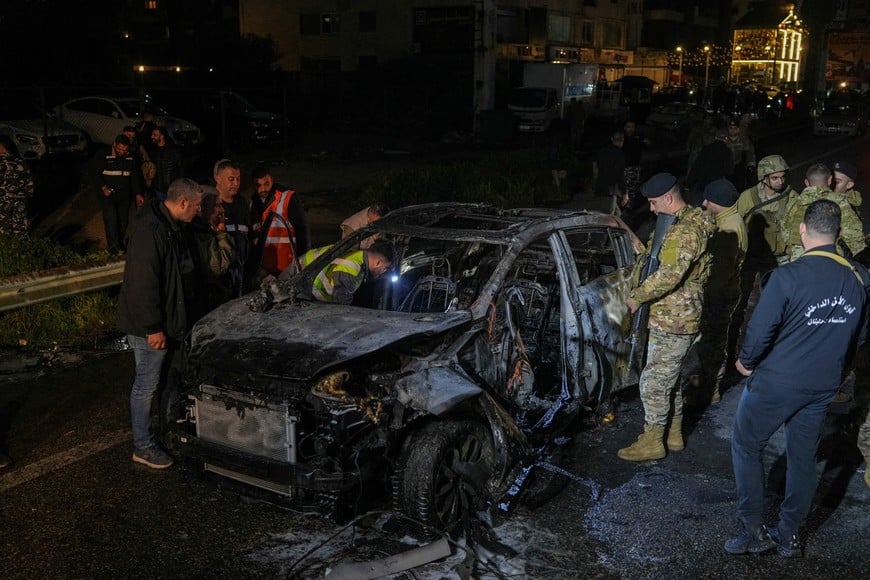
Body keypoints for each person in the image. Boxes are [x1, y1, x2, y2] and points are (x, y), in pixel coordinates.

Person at [726, 199, 869, 557]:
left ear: (802, 231)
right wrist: (838, 367)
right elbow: (862, 335)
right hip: (823, 384)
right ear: (837, 234)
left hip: (776, 382)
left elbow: (760, 330)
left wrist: (746, 362)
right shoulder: (860, 277)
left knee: (747, 445)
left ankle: (753, 531)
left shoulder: (786, 276)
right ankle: (789, 535)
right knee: (802, 458)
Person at [619, 173, 716, 461]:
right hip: (678, 315)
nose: (651, 209)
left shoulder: (684, 231)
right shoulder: (686, 223)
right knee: (669, 378)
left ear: (668, 198)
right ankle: (673, 434)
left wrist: (637, 296)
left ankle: (652, 441)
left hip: (674, 318)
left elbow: (669, 274)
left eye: (653, 203)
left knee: (654, 382)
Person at [117, 178, 203, 469]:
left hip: (165, 322)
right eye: (197, 206)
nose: (198, 211)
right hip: (149, 326)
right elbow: (143, 284)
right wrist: (153, 328)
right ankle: (143, 446)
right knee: (146, 385)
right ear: (182, 203)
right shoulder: (151, 230)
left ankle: (162, 434)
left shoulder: (169, 226)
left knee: (164, 381)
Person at [692, 178, 748, 404]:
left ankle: (709, 390)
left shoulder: (728, 229)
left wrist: (704, 298)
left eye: (709, 200)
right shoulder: (731, 218)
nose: (704, 203)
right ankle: (710, 388)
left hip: (719, 295)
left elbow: (719, 273)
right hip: (727, 290)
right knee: (715, 342)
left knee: (712, 343)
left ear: (719, 202)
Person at [780, 163, 865, 262]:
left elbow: (785, 232)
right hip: (830, 258)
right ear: (829, 180)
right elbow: (854, 235)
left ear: (807, 182)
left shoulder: (795, 202)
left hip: (799, 260)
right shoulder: (838, 201)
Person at [298, 239, 396, 305]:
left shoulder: (357, 253)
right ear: (378, 263)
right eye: (386, 268)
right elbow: (341, 308)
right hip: (298, 284)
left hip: (301, 265)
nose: (384, 273)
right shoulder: (353, 272)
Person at [252, 166, 310, 278]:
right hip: (266, 271)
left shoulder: (287, 197)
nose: (263, 189)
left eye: (266, 184)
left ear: (272, 180)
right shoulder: (253, 204)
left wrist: (303, 262)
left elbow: (302, 231)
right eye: (258, 185)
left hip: (288, 268)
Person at [188, 191, 236, 315]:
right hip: (210, 304)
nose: (222, 210)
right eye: (217, 205)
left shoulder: (209, 230)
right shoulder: (202, 235)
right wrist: (221, 234)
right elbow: (218, 267)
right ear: (206, 208)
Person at [93, 134, 143, 253]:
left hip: (124, 195)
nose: (122, 152)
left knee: (123, 221)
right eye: (120, 149)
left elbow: (134, 177)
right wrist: (103, 187)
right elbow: (94, 173)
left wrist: (138, 194)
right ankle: (112, 247)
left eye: (125, 150)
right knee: (111, 220)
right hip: (109, 194)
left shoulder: (130, 157)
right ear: (115, 144)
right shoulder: (103, 154)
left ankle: (119, 243)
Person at [213, 159, 250, 296]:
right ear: (218, 178)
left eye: (238, 179)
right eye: (231, 179)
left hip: (241, 269)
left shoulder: (242, 204)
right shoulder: (209, 206)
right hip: (220, 276)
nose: (236, 183)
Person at [686, 124, 732, 204]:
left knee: (700, 208)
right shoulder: (727, 151)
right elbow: (729, 170)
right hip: (717, 186)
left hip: (703, 185)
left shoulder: (706, 149)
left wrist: (688, 183)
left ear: (715, 137)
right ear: (726, 138)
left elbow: (696, 166)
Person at [0, 135, 34, 237]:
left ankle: (7, 250)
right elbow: (29, 185)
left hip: (2, 201)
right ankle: (21, 248)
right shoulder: (21, 162)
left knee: (3, 229)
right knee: (20, 227)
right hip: (20, 200)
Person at [150, 126, 183, 202]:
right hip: (158, 190)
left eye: (155, 135)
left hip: (172, 190)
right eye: (152, 134)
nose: (152, 137)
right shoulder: (153, 151)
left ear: (162, 136)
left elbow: (181, 169)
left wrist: (178, 187)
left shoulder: (174, 150)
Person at [724, 117, 756, 191]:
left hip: (738, 171)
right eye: (730, 128)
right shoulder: (723, 141)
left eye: (735, 128)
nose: (732, 130)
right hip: (725, 170)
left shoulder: (744, 141)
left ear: (738, 129)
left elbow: (750, 154)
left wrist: (751, 167)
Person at [594, 131, 625, 201]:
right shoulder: (619, 153)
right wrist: (623, 189)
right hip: (611, 186)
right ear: (622, 140)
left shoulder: (603, 150)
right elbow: (619, 172)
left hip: (601, 183)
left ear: (612, 139)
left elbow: (597, 166)